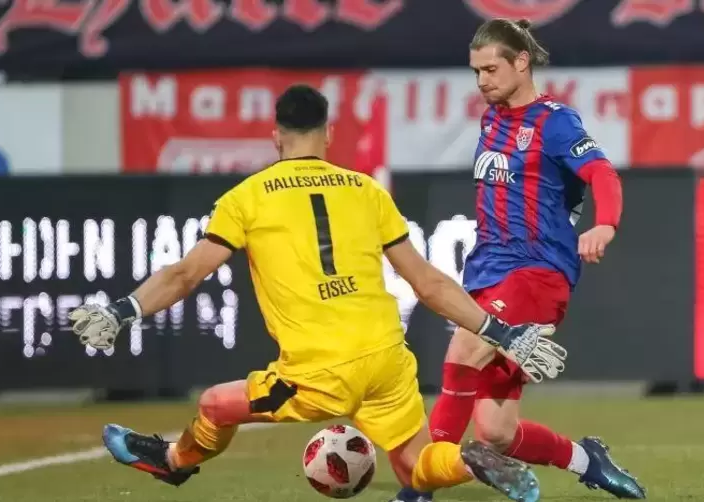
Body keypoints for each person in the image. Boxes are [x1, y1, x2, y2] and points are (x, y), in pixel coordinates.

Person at [70, 85, 567, 502]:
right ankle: (468, 460)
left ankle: (174, 461)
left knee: (214, 405)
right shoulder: (366, 190)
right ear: (329, 135)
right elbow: (429, 283)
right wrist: (502, 332)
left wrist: (123, 310)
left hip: (317, 372)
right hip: (386, 360)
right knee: (417, 466)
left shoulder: (246, 198)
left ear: (275, 138)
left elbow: (186, 274)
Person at [392, 19, 646, 502]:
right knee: (496, 431)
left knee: (463, 350)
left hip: (536, 271)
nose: (482, 80)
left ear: (521, 62)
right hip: (489, 273)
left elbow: (603, 174)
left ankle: (418, 489)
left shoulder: (556, 121)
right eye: (476, 72)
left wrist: (605, 224)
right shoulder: (493, 119)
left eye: (491, 69)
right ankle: (587, 459)